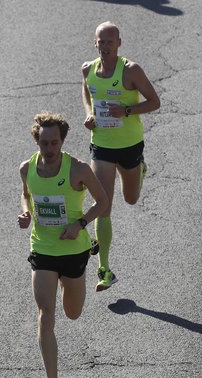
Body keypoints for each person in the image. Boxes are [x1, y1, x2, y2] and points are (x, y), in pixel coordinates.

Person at [18, 112, 110, 378]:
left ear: (63, 140)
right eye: (44, 142)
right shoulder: (26, 168)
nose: (49, 148)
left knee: (72, 312)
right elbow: (26, 195)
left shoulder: (78, 169)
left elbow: (103, 201)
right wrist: (27, 214)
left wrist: (81, 223)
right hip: (43, 249)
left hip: (73, 250)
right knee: (46, 312)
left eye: (54, 142)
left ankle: (88, 253)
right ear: (36, 140)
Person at [81, 21, 161, 291]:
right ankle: (105, 269)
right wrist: (89, 114)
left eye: (110, 42)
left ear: (119, 43)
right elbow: (87, 91)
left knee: (131, 198)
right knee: (103, 206)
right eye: (101, 42)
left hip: (129, 145)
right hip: (101, 145)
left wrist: (126, 111)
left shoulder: (131, 71)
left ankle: (139, 170)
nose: (105, 46)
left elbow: (154, 102)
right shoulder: (88, 70)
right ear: (95, 43)